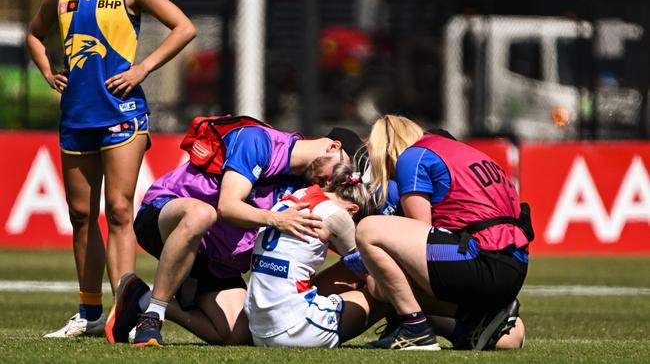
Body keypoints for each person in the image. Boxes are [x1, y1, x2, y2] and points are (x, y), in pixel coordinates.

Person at [107, 118, 364, 346]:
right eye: (339, 173)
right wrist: (276, 219)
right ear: (333, 147)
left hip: (214, 255)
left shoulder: (305, 183)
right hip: (166, 216)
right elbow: (227, 207)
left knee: (237, 334)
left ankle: (139, 297)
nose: (334, 183)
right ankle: (153, 315)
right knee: (201, 214)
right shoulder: (258, 140)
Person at [27, 0, 196, 338]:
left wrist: (143, 68)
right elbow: (34, 34)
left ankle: (127, 313)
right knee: (81, 216)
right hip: (76, 117)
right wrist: (47, 72)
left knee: (119, 209)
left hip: (123, 113)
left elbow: (185, 28)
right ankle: (89, 314)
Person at [354, 115, 530, 350]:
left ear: (386, 148)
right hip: (514, 265)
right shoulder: (464, 152)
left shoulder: (412, 156)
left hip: (481, 258)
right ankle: (476, 320)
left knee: (370, 234)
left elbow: (420, 229)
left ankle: (414, 329)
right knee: (509, 339)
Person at [245, 164, 382, 348]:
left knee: (349, 267)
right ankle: (410, 329)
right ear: (353, 210)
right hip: (297, 330)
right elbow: (376, 285)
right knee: (387, 288)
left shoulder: (299, 196)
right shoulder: (339, 216)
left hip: (257, 329)